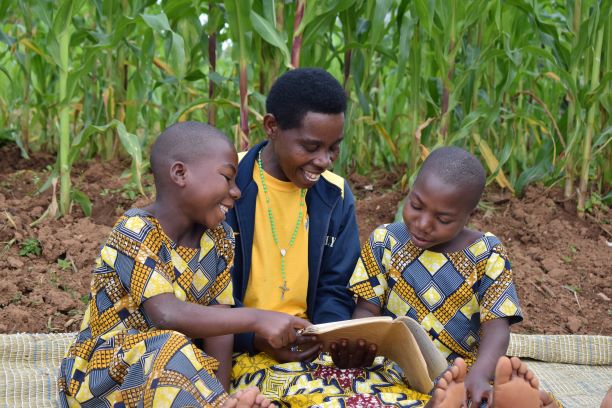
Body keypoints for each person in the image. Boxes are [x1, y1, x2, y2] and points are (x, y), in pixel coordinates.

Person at [57, 122, 310, 407]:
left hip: (170, 374)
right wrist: (258, 319)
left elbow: (220, 327)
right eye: (227, 178)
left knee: (192, 357)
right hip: (101, 379)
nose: (236, 191)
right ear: (180, 173)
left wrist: (220, 393)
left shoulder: (220, 238)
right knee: (170, 345)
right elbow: (166, 313)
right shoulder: (135, 231)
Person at [342, 146, 559, 407]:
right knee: (345, 391)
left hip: (461, 374)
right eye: (416, 206)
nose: (423, 223)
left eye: (442, 219)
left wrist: (479, 376)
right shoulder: (384, 241)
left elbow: (497, 330)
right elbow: (366, 310)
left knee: (477, 395)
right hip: (393, 369)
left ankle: (473, 398)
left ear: (469, 214)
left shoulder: (487, 254)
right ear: (410, 192)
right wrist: (361, 343)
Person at [226, 68, 385, 405]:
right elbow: (204, 291)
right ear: (272, 127)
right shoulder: (227, 186)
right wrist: (254, 336)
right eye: (311, 146)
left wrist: (327, 338)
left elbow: (335, 285)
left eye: (334, 148)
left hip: (305, 347)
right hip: (238, 346)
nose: (324, 161)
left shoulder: (335, 195)